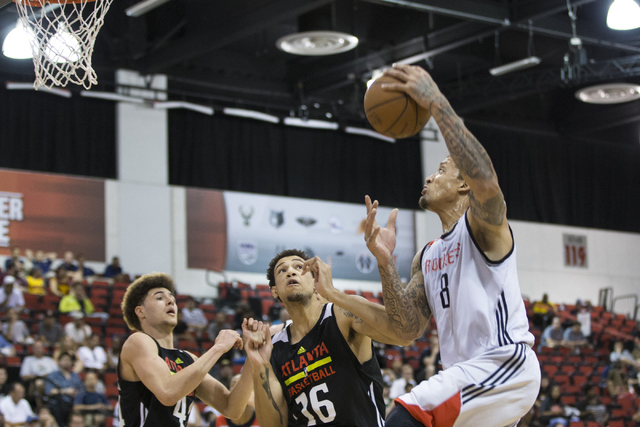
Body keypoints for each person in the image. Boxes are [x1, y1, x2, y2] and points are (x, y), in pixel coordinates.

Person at [363, 64, 540, 426]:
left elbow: (487, 181)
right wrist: (384, 263)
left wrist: (436, 103)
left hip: (503, 362)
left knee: (407, 414)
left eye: (442, 169)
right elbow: (405, 329)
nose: (430, 176)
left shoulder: (481, 227)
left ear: (463, 186)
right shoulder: (426, 256)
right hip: (467, 377)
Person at [243, 249, 411, 427]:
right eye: (282, 270)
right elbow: (274, 425)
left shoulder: (341, 315)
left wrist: (331, 292)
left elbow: (403, 334)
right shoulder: (274, 346)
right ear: (275, 291)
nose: (291, 272)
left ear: (314, 280)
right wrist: (259, 367)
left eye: (299, 267)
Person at [118, 272, 260, 426]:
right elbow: (167, 392)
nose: (170, 301)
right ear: (140, 311)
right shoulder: (138, 341)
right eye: (160, 298)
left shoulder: (188, 359)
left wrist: (252, 355)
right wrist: (218, 347)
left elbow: (231, 408)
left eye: (172, 298)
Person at [44, 352, 84, 426]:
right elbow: (49, 391)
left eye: (69, 360)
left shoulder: (75, 376)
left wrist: (76, 393)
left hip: (74, 403)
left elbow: (81, 389)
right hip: (59, 403)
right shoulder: (53, 375)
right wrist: (65, 391)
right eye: (65, 360)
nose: (67, 362)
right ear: (59, 362)